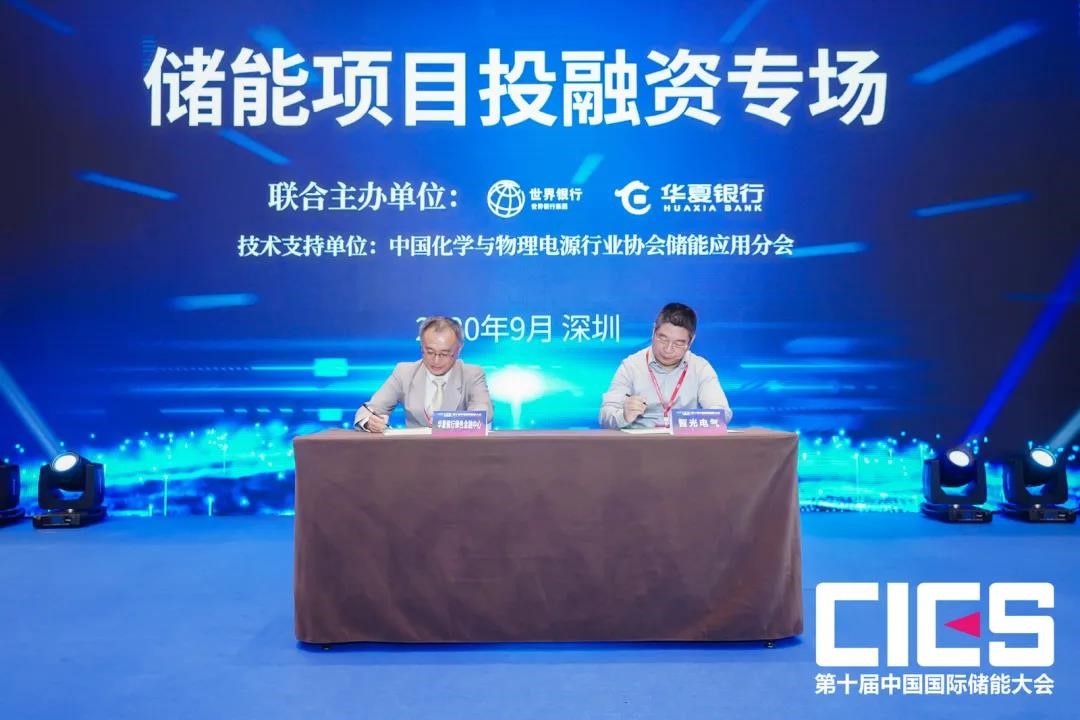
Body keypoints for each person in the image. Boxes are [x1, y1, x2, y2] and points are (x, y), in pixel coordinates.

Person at [599, 303, 732, 429]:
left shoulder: (700, 368)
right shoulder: (631, 366)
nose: (668, 349)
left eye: (678, 343)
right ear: (653, 331)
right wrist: (624, 416)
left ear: (691, 341)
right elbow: (605, 415)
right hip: (640, 442)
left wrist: (685, 423)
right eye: (663, 339)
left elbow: (722, 413)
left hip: (685, 442)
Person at [354, 316, 493, 432]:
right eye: (430, 352)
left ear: (458, 349)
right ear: (422, 347)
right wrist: (370, 422)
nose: (436, 360)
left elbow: (482, 413)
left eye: (444, 354)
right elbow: (367, 411)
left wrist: (445, 422)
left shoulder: (472, 374)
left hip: (458, 451)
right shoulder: (404, 373)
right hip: (414, 452)